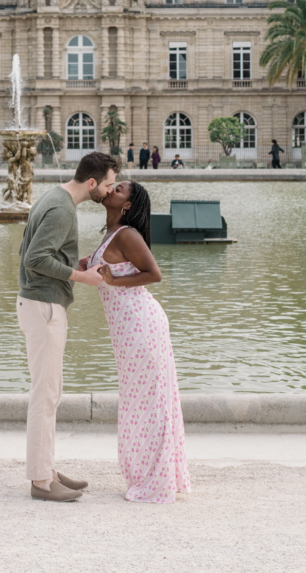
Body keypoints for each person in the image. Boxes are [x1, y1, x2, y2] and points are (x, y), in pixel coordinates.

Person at [17, 151, 119, 502]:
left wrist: (74, 263)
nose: (109, 192)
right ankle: (41, 482)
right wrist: (80, 277)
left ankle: (46, 469)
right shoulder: (62, 209)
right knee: (44, 398)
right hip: (44, 306)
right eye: (107, 185)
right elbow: (34, 259)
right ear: (92, 182)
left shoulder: (52, 196)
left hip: (38, 303)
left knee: (49, 394)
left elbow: (30, 251)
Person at [83, 180, 192, 503]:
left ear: (127, 205)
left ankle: (156, 481)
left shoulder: (128, 233)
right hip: (128, 329)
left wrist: (115, 280)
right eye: (112, 186)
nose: (111, 190)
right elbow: (102, 268)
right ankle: (151, 474)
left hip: (141, 325)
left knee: (149, 403)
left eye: (118, 189)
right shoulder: (112, 233)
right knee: (140, 401)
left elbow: (153, 273)